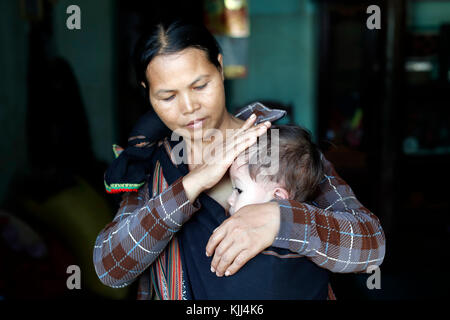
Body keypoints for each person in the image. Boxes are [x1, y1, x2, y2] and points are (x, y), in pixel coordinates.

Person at [93, 19, 385, 300]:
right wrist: (191, 185)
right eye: (168, 97)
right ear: (148, 92)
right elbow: (111, 269)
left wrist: (281, 220)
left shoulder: (282, 150)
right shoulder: (149, 168)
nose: (189, 107)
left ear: (220, 67)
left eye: (199, 86)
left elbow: (371, 245)